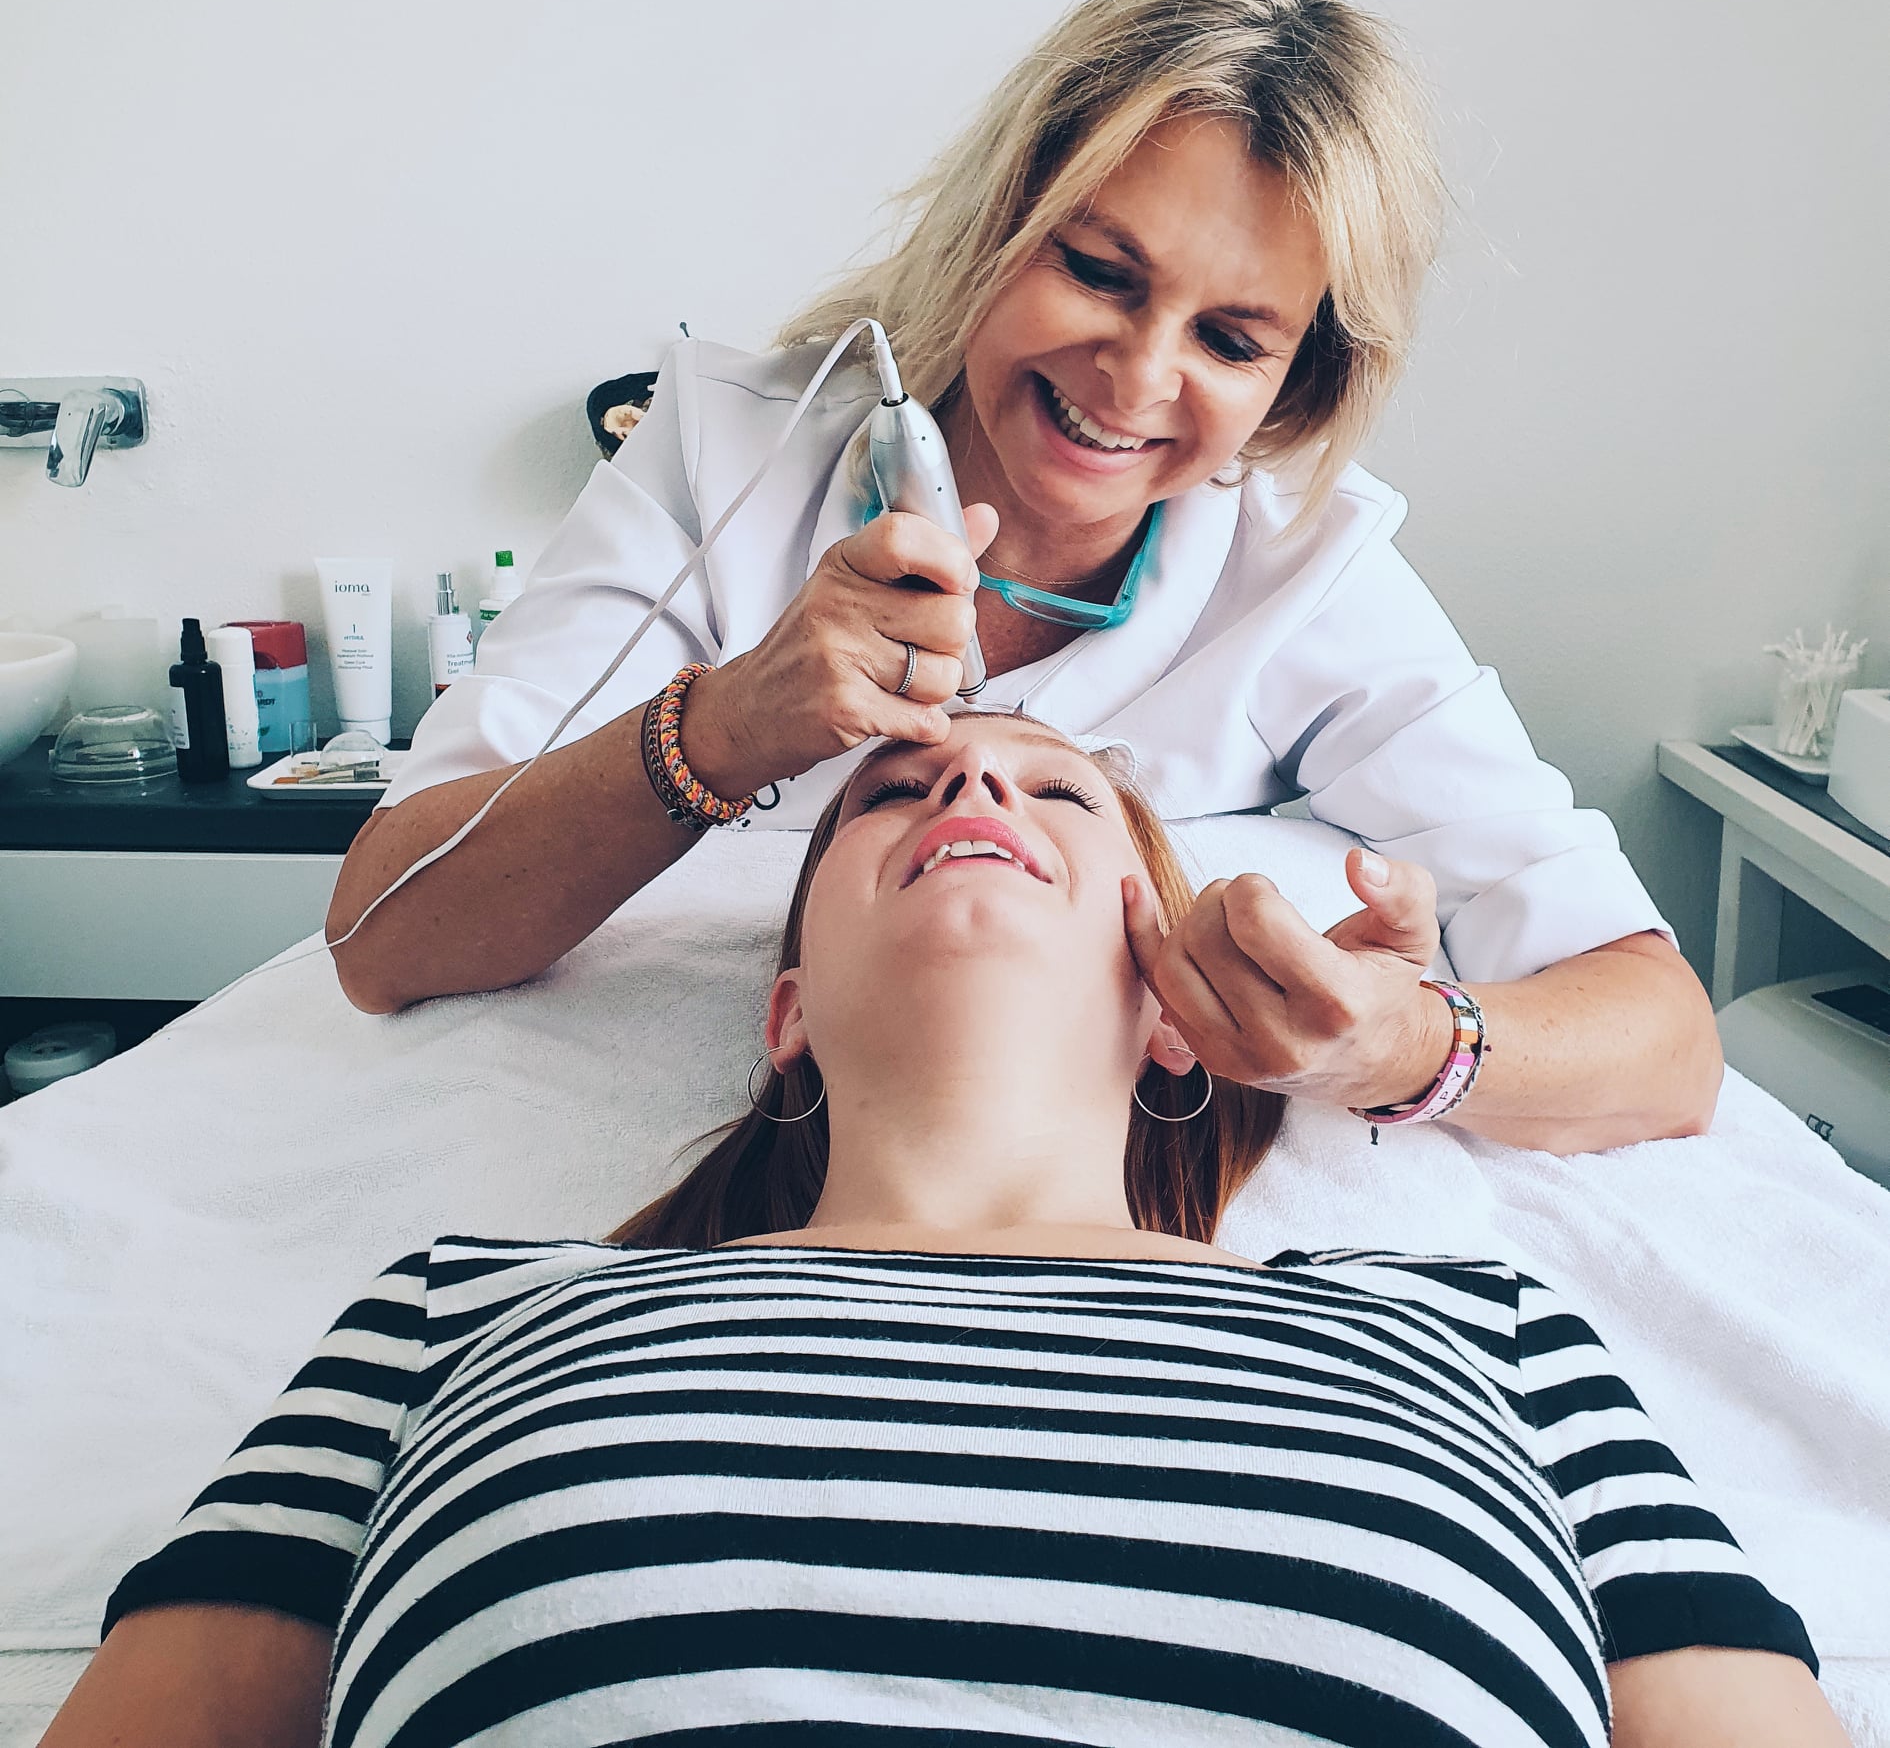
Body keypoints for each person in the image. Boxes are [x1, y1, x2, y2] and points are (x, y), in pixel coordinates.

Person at [52, 714, 1838, 1747]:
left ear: (1173, 1010)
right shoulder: (461, 1309)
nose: (974, 792)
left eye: (1054, 793)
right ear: (787, 1010)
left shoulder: (1480, 1332)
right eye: (894, 793)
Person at [327, 0, 1719, 1154]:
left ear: (1293, 385)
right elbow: (384, 938)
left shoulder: (1307, 571)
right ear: (997, 224)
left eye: (1229, 339)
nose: (1133, 379)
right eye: (1097, 273)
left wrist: (1403, 1045)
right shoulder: (725, 449)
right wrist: (732, 725)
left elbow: (1662, 1042)